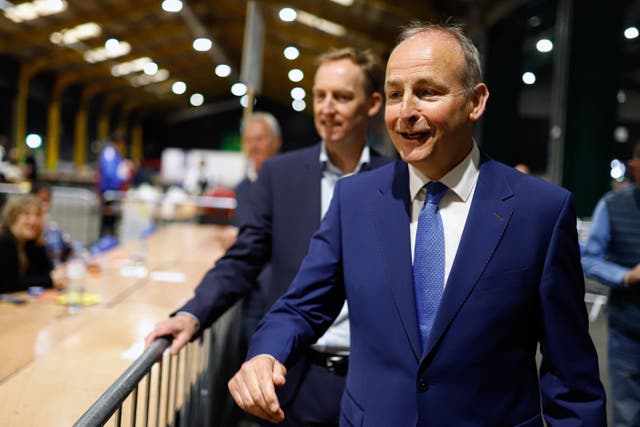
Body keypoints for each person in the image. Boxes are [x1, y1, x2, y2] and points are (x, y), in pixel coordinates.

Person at [228, 22, 606, 426]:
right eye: (395, 94)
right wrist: (266, 354)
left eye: (427, 92)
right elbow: (301, 305)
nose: (406, 112)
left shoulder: (540, 211)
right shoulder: (355, 200)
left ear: (475, 102)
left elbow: (571, 379)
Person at [145, 47, 392, 426]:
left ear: (373, 103)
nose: (327, 108)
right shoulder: (281, 176)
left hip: (372, 381)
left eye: (342, 97)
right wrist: (193, 313)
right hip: (295, 377)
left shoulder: (396, 180)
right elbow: (243, 258)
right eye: (320, 96)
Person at [582, 141, 640, 427]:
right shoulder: (612, 204)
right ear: (634, 168)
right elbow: (589, 259)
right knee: (627, 414)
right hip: (628, 329)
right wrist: (626, 276)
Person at [232, 112, 282, 346]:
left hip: (280, 288)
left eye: (260, 139)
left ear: (276, 141)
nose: (254, 146)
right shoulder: (241, 188)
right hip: (249, 288)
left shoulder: (289, 183)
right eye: (249, 140)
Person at [0, 195, 65, 293]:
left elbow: (47, 271)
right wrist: (50, 280)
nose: (33, 221)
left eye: (38, 215)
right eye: (27, 214)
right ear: (13, 217)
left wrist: (57, 274)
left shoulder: (32, 242)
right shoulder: (4, 241)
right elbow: (8, 284)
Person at [97, 132, 133, 237]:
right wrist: (117, 185)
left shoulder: (113, 153)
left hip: (112, 192)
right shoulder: (109, 153)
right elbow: (109, 173)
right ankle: (105, 244)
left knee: (111, 222)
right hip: (110, 193)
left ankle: (108, 242)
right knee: (108, 221)